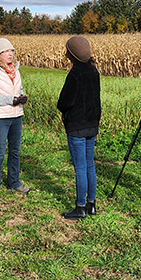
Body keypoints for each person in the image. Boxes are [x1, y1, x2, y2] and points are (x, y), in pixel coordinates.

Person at [0, 38, 31, 204]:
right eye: (5, 52)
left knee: (15, 151)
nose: (9, 54)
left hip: (16, 115)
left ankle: (14, 182)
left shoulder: (16, 70)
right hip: (0, 116)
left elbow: (19, 89)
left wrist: (21, 97)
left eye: (11, 51)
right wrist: (10, 99)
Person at [57, 36, 101, 220]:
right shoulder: (94, 70)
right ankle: (91, 205)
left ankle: (80, 208)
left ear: (71, 54)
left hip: (76, 126)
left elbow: (65, 101)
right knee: (90, 165)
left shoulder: (75, 73)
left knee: (80, 167)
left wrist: (62, 109)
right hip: (92, 125)